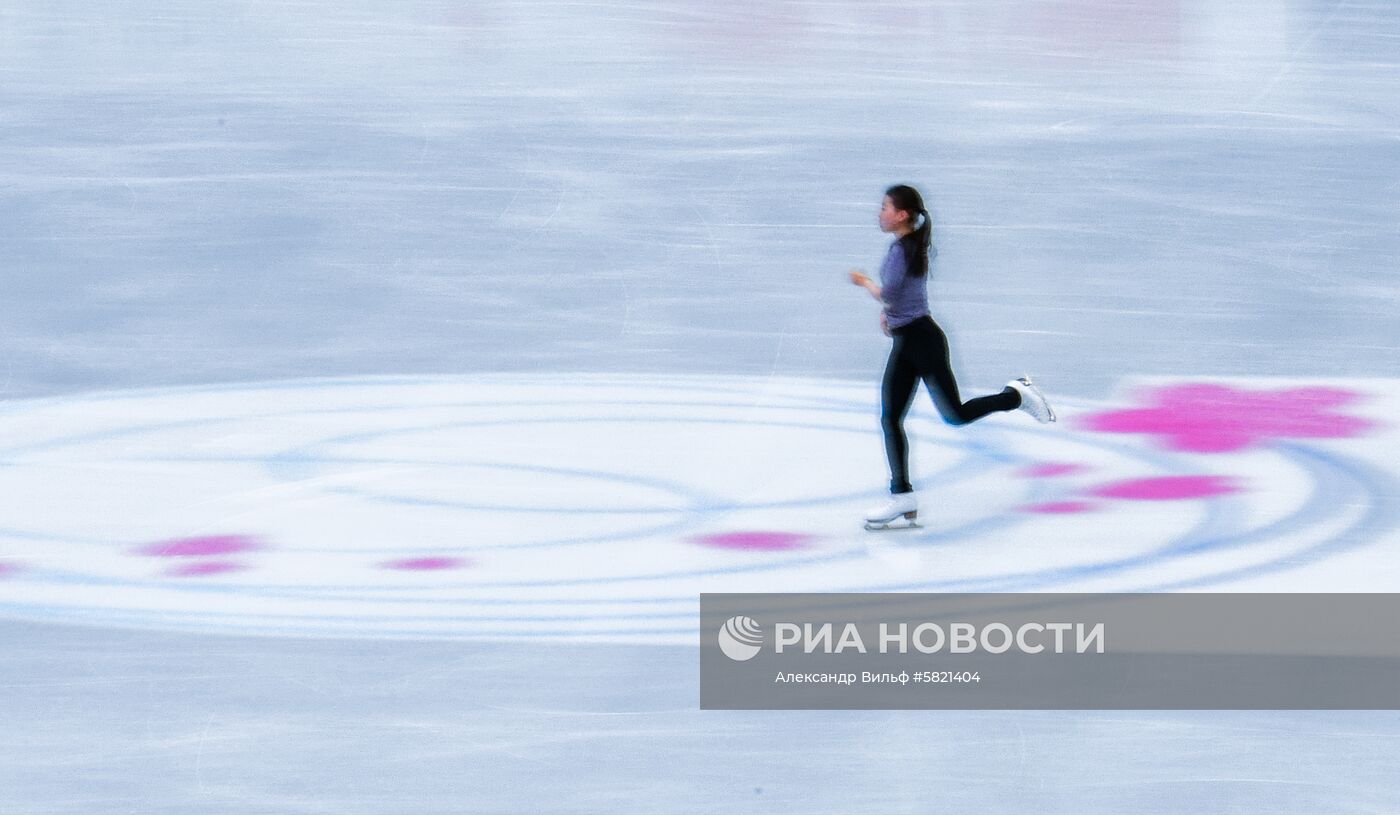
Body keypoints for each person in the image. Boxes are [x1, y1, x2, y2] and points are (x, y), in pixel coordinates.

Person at [849, 184, 1054, 530]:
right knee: (891, 418)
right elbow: (903, 299)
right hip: (910, 339)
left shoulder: (903, 250)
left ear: (901, 215)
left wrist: (864, 282)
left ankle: (1016, 395)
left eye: (885, 207)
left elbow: (890, 293)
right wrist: (892, 317)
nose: (880, 212)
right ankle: (902, 496)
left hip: (922, 342)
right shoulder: (910, 246)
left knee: (954, 414)